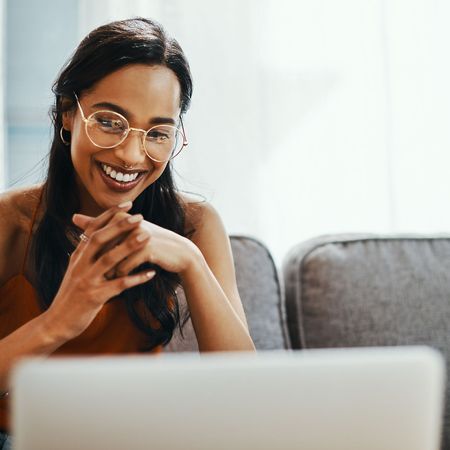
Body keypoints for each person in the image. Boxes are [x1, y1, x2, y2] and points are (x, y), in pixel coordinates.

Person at [0, 17, 255, 446]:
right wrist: (61, 320)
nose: (132, 154)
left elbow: (249, 393)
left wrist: (191, 261)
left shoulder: (195, 225)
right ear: (67, 112)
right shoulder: (10, 222)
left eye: (157, 133)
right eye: (110, 122)